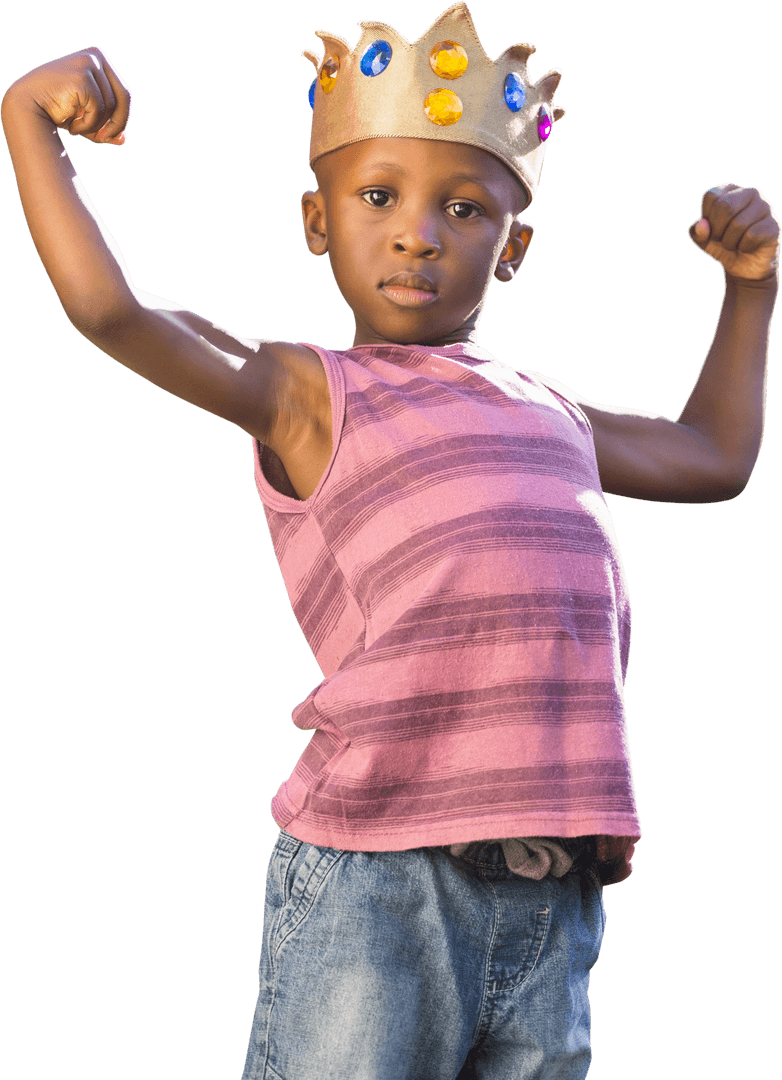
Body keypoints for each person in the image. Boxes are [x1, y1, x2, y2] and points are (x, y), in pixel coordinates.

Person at [2, 3, 778, 1077]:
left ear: (514, 249)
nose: (418, 231)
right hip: (380, 884)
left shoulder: (551, 407)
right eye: (379, 197)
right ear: (318, 222)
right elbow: (112, 308)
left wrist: (750, 289)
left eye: (465, 209)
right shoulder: (306, 393)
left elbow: (713, 455)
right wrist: (28, 124)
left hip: (555, 896)